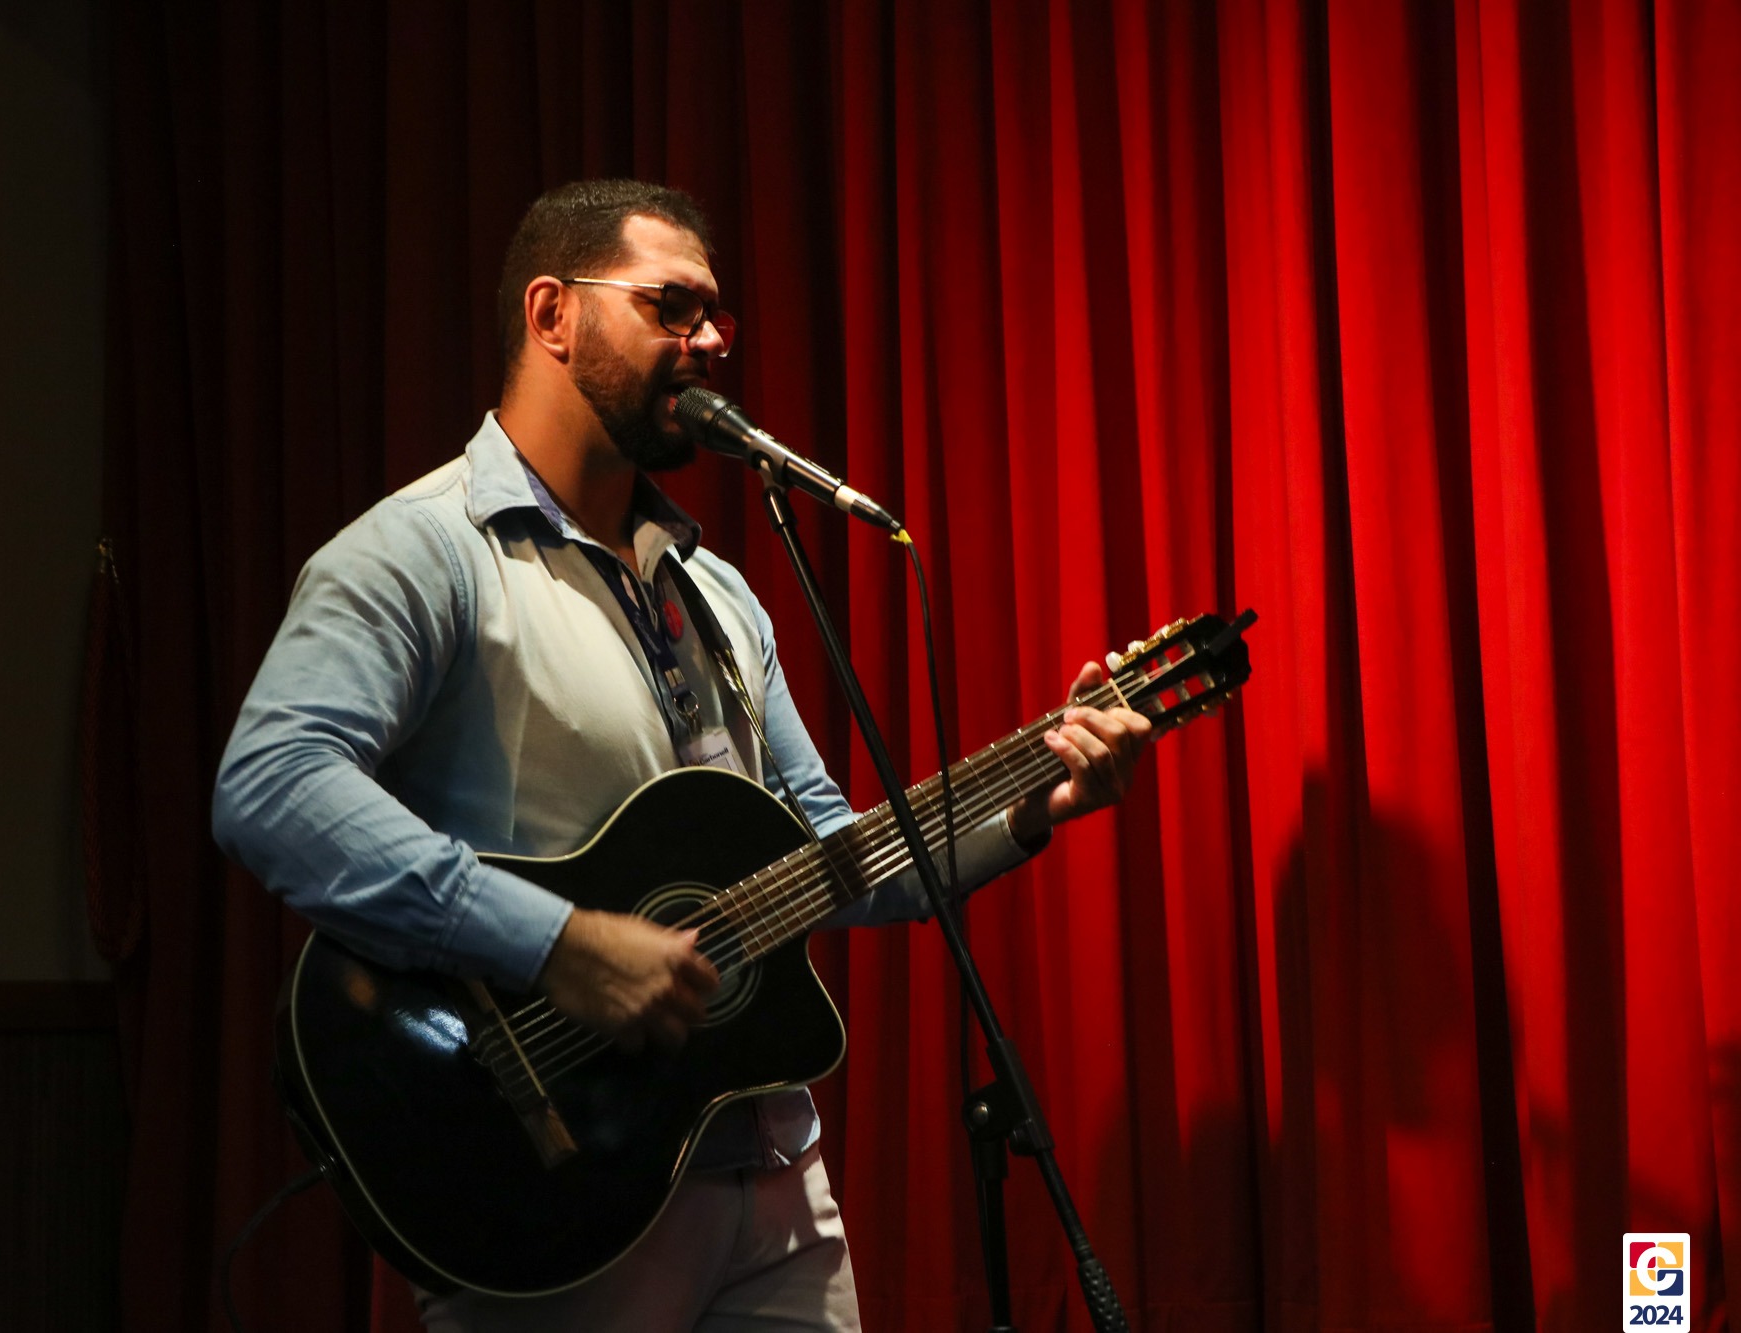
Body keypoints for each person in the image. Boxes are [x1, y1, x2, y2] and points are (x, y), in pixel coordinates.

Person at [211, 179, 1152, 1332]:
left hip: (774, 1177)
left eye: (716, 316)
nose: (709, 341)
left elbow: (837, 855)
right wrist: (557, 944)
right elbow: (272, 787)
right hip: (562, 1184)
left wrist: (1038, 795)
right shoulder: (418, 554)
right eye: (671, 306)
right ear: (552, 314)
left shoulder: (717, 594)